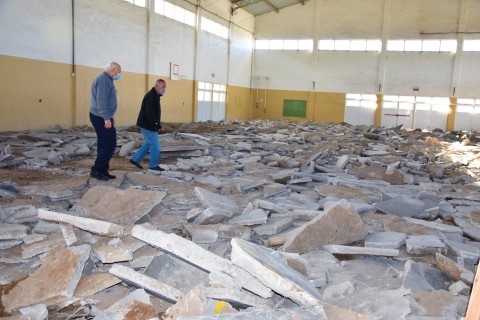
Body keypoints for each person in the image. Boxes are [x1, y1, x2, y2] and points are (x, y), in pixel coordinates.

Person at [89, 62, 122, 180]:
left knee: (103, 143)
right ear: (113, 70)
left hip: (102, 116)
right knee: (110, 143)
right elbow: (101, 102)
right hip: (99, 117)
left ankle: (103, 170)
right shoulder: (103, 80)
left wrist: (110, 116)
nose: (119, 75)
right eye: (118, 72)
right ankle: (96, 169)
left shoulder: (107, 79)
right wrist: (106, 118)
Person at [129, 79, 167, 172]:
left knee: (149, 143)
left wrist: (157, 124)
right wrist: (157, 125)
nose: (164, 89)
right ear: (157, 86)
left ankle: (135, 159)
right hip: (147, 125)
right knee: (155, 145)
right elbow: (149, 113)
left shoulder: (155, 95)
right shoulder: (151, 96)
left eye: (165, 87)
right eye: (163, 87)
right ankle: (153, 165)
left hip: (149, 124)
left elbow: (154, 113)